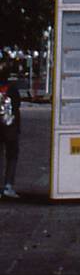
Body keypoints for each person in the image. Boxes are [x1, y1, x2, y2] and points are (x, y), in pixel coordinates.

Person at [0, 60, 22, 199]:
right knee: (11, 156)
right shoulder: (13, 89)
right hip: (10, 128)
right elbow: (17, 105)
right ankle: (8, 185)